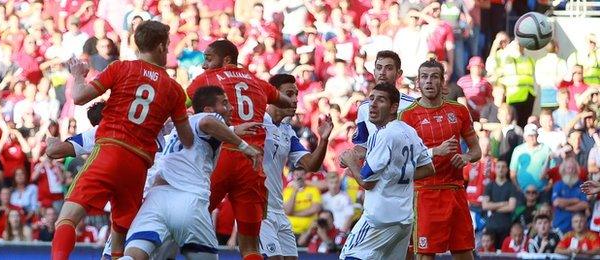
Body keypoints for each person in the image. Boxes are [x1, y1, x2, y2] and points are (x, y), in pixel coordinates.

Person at [51, 21, 195, 260]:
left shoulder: (121, 68)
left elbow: (78, 97)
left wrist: (77, 75)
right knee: (120, 233)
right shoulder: (175, 90)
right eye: (168, 46)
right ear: (160, 46)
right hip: (137, 165)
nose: (168, 50)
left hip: (109, 151)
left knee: (68, 217)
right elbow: (188, 140)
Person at [122, 86, 261, 260]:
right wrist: (244, 147)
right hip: (188, 198)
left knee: (134, 255)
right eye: (225, 103)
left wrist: (233, 130)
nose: (230, 107)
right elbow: (207, 123)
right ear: (208, 109)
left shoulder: (178, 129)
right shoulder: (206, 117)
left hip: (156, 198)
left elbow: (203, 134)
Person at [185, 39, 294, 260]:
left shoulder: (206, 80)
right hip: (252, 164)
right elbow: (284, 101)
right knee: (251, 246)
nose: (204, 65)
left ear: (226, 59)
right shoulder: (257, 81)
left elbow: (179, 102)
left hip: (221, 156)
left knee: (188, 220)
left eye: (208, 59)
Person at [339, 83, 436, 260]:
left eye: (380, 100)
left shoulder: (383, 135)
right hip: (404, 219)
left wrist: (351, 162)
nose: (373, 104)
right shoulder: (410, 131)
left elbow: (367, 182)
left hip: (379, 219)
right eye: (371, 99)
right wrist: (395, 173)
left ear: (394, 107)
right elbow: (429, 168)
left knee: (349, 256)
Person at [399, 58, 481, 259]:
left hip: (455, 190)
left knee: (464, 253)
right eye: (424, 77)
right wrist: (436, 151)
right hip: (425, 193)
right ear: (418, 82)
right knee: (426, 255)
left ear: (443, 82)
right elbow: (403, 163)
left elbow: (476, 150)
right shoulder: (406, 116)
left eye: (434, 77)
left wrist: (466, 157)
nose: (429, 81)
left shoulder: (459, 110)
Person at [259, 74, 333, 260]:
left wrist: (323, 139)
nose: (294, 100)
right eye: (289, 94)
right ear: (273, 95)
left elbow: (311, 165)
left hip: (279, 209)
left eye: (296, 94)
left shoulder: (287, 131)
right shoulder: (258, 122)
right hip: (259, 209)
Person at [349, 50, 415, 157]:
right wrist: (351, 156)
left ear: (399, 73)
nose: (382, 73)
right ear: (374, 72)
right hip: (374, 171)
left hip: (402, 170)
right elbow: (362, 143)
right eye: (379, 68)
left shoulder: (412, 105)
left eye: (389, 68)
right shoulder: (364, 107)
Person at [481, 160, 517, 250]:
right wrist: (502, 203)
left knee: (503, 254)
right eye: (498, 166)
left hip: (506, 226)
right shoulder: (489, 186)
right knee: (489, 254)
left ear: (507, 170)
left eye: (503, 167)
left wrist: (492, 206)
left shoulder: (511, 186)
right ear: (495, 169)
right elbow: (485, 206)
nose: (501, 169)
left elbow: (511, 207)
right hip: (491, 227)